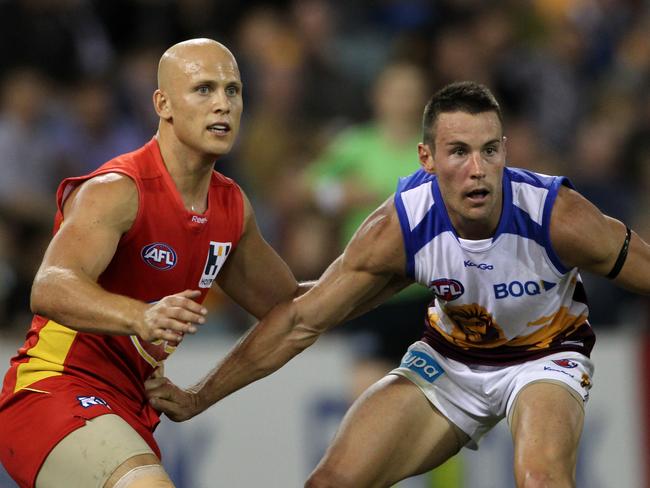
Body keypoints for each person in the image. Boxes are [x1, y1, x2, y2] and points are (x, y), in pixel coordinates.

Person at [146, 80, 650, 487]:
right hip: (452, 359)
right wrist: (197, 397)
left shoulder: (556, 215)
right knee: (330, 483)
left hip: (545, 355)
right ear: (426, 160)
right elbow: (300, 321)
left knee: (540, 479)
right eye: (458, 152)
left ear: (505, 151)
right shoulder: (399, 227)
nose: (477, 170)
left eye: (489, 150)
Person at [0, 38, 306, 488]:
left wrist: (390, 266)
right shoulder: (118, 188)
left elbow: (293, 314)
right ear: (163, 104)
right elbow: (49, 286)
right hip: (52, 390)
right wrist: (140, 315)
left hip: (128, 410)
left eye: (232, 90)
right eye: (203, 89)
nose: (222, 104)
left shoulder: (231, 207)